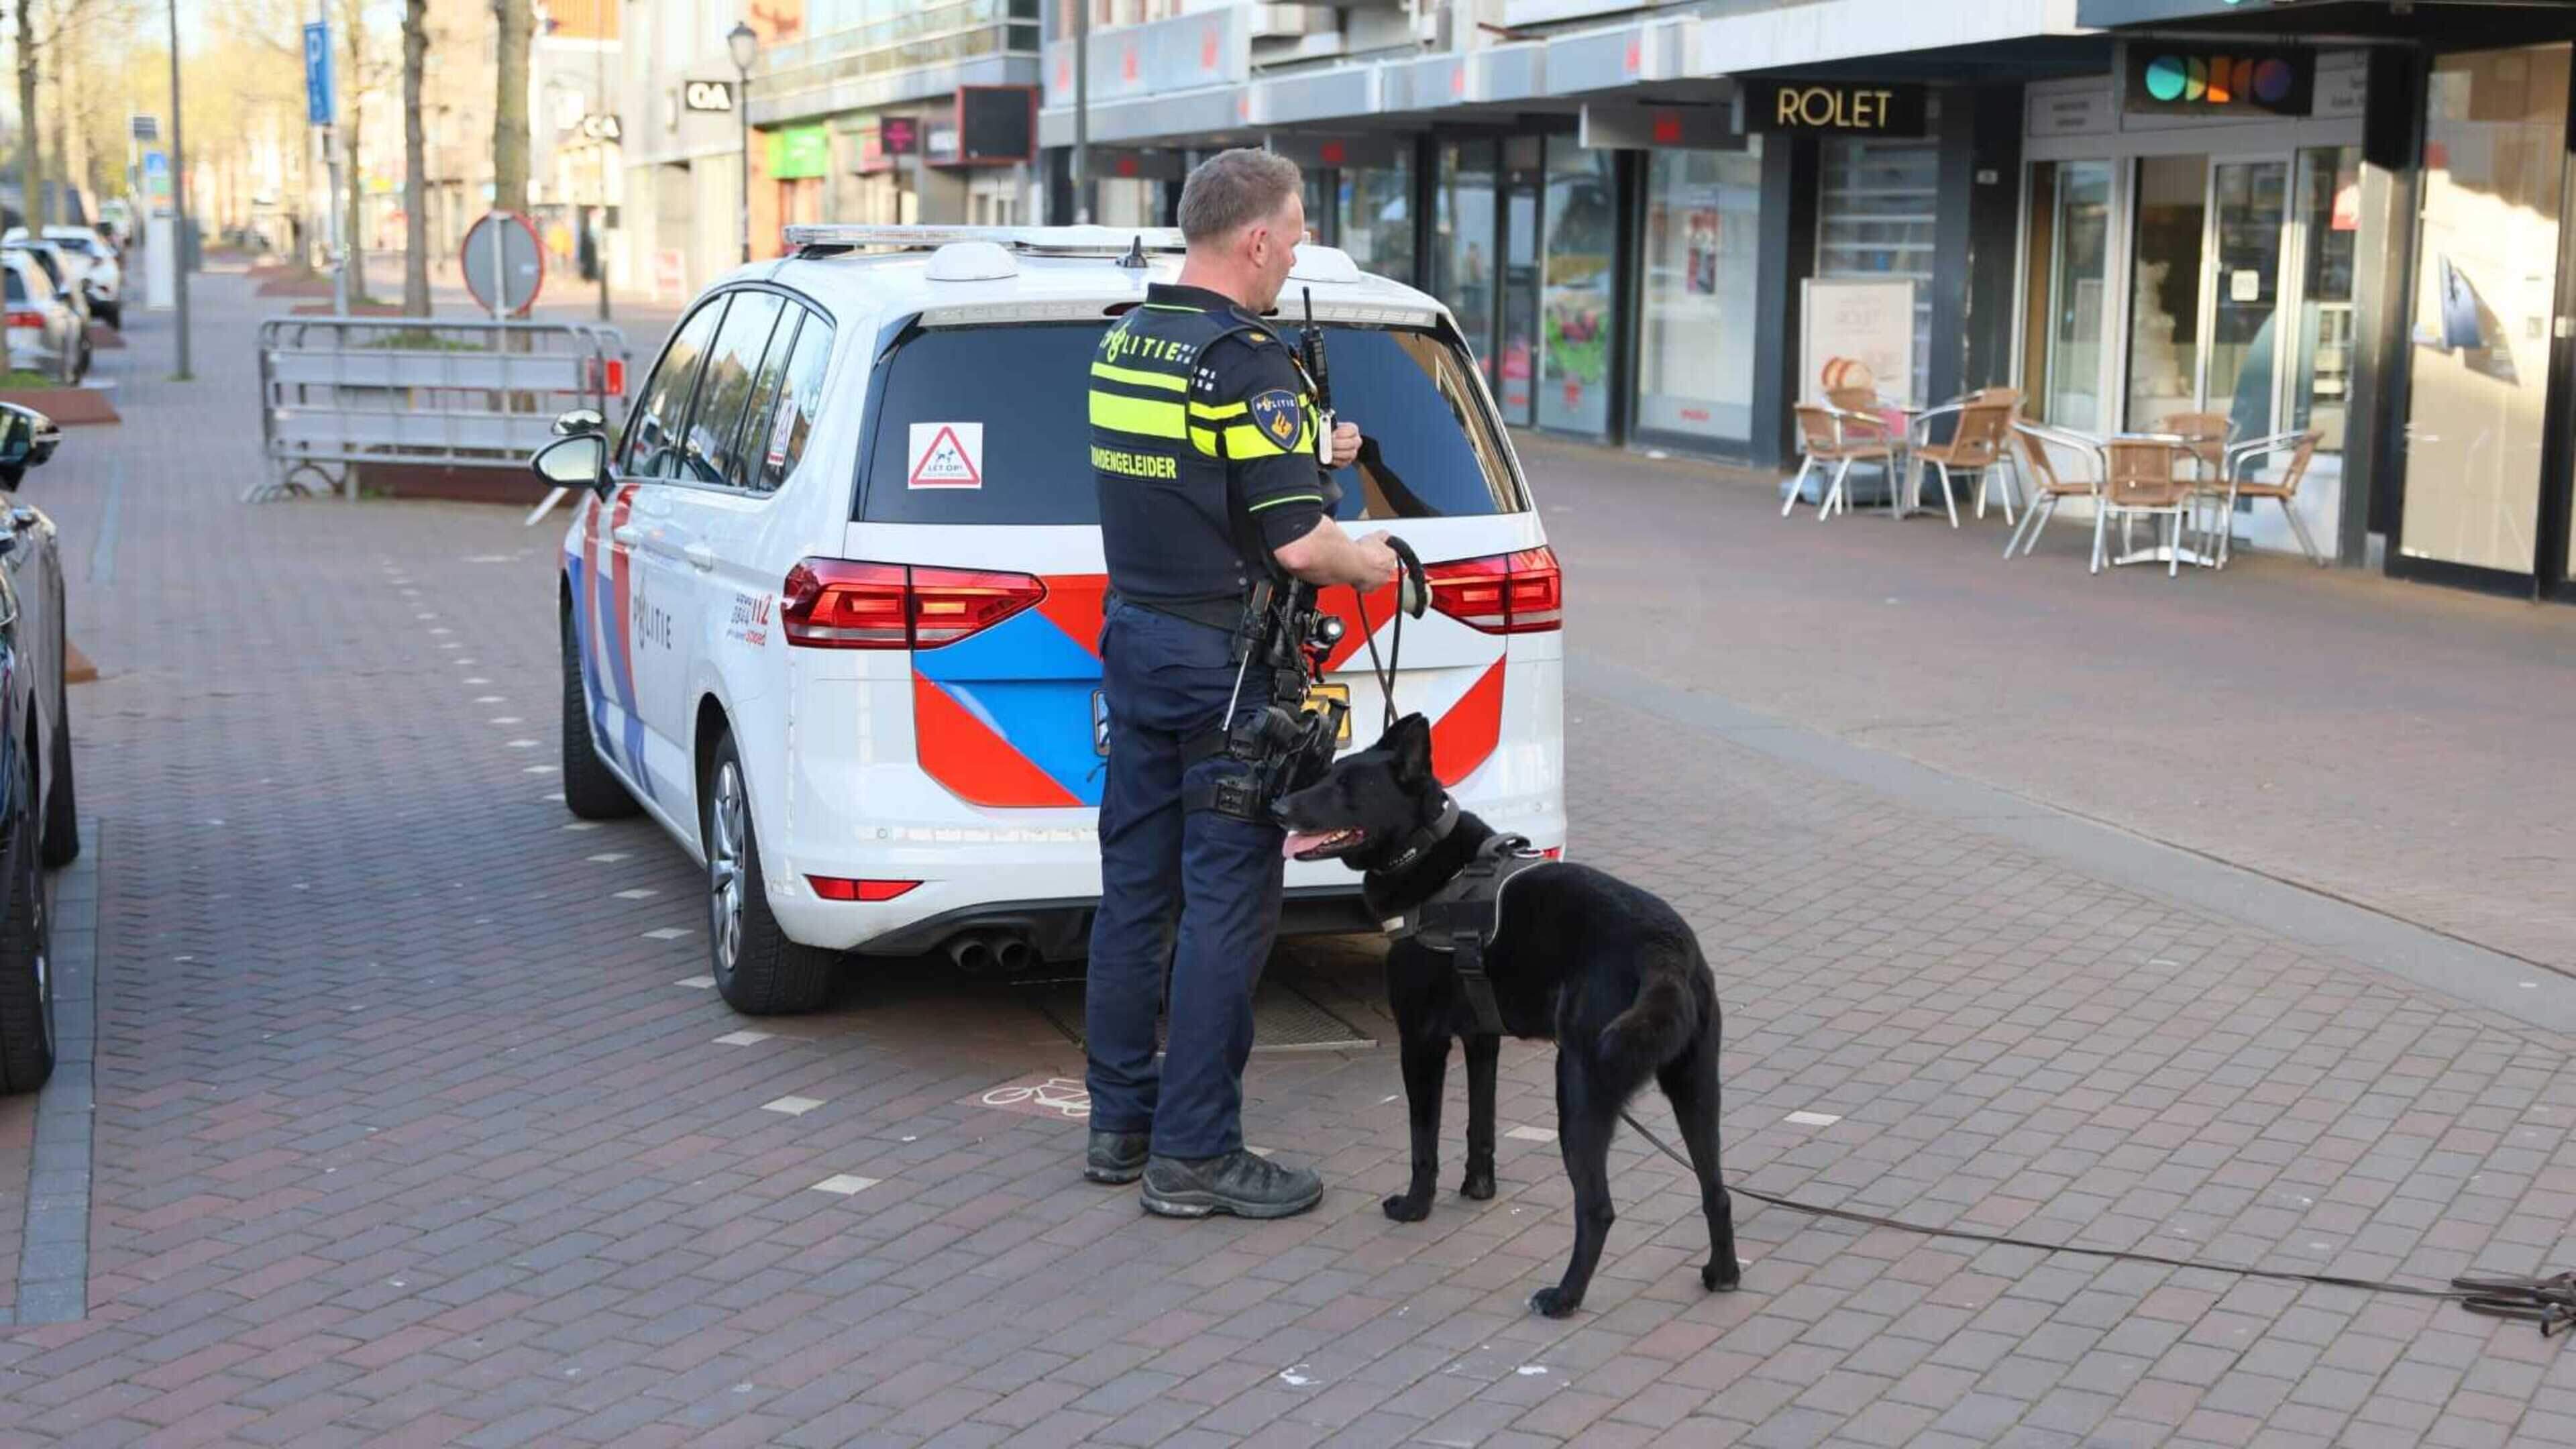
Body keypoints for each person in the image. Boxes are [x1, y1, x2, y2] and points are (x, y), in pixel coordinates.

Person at [1083, 148, 1401, 1219]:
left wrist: (1311, 446)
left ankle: (1120, 1126)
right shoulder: (1247, 360)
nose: (1299, 247)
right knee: (1227, 902)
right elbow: (1303, 547)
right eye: (1298, 228)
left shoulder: (1127, 340)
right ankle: (1196, 1156)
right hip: (1228, 670)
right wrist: (1378, 559)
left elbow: (1192, 471)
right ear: (1257, 239)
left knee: (1136, 892)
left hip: (1137, 640)